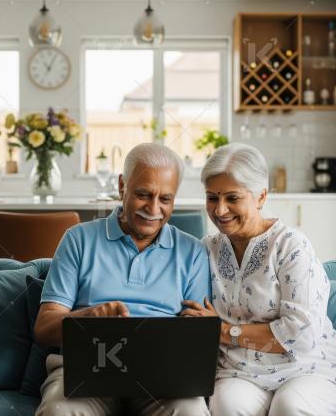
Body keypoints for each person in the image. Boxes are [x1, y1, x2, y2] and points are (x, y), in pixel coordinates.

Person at [181, 143, 336, 416]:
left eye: (232, 198)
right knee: (226, 405)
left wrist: (223, 331)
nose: (220, 210)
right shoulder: (206, 250)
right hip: (239, 371)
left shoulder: (291, 246)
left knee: (290, 406)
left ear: (260, 197)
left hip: (307, 367)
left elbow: (300, 334)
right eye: (212, 198)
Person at [34, 143, 212, 416]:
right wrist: (90, 317)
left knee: (191, 411)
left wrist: (200, 330)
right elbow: (44, 329)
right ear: (121, 186)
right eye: (143, 194)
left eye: (165, 199)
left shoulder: (193, 252)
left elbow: (196, 335)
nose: (153, 209)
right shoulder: (77, 240)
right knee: (58, 411)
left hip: (162, 380)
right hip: (86, 373)